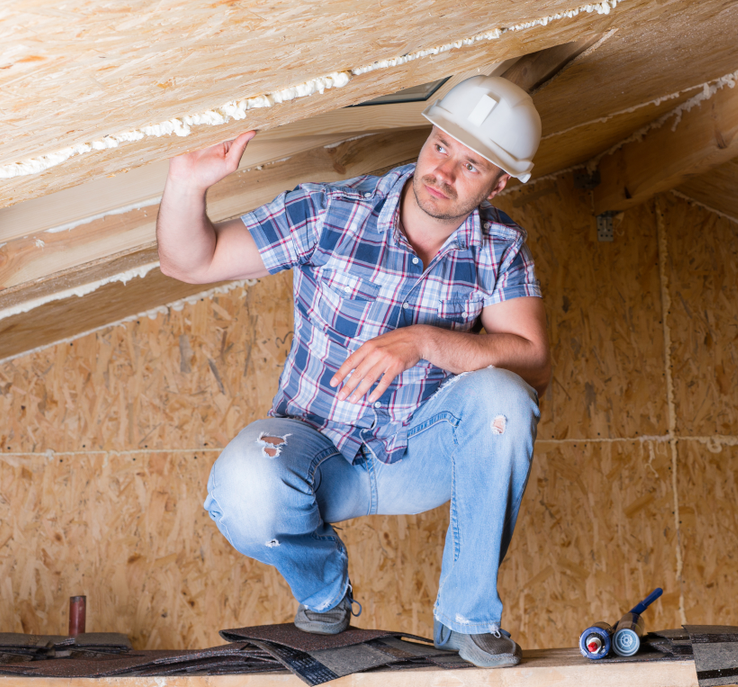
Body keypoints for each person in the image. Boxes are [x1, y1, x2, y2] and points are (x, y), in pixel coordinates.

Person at [155, 75, 550, 668]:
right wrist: (187, 183)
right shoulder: (330, 211)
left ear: (502, 180)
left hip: (419, 456)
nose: (443, 172)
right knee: (243, 484)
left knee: (506, 400)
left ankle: (467, 621)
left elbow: (533, 360)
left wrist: (423, 341)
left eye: (472, 166)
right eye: (441, 146)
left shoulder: (500, 246)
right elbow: (191, 260)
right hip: (318, 460)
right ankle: (324, 596)